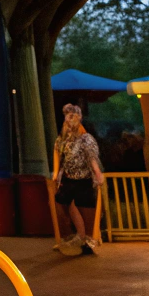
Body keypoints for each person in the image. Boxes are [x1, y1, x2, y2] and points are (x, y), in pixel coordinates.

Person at [53, 103, 105, 256]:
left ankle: (88, 240)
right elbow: (57, 152)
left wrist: (97, 173)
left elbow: (91, 157)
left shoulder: (86, 139)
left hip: (84, 179)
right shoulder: (63, 139)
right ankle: (71, 237)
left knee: (86, 209)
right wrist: (56, 173)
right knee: (61, 204)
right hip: (68, 178)